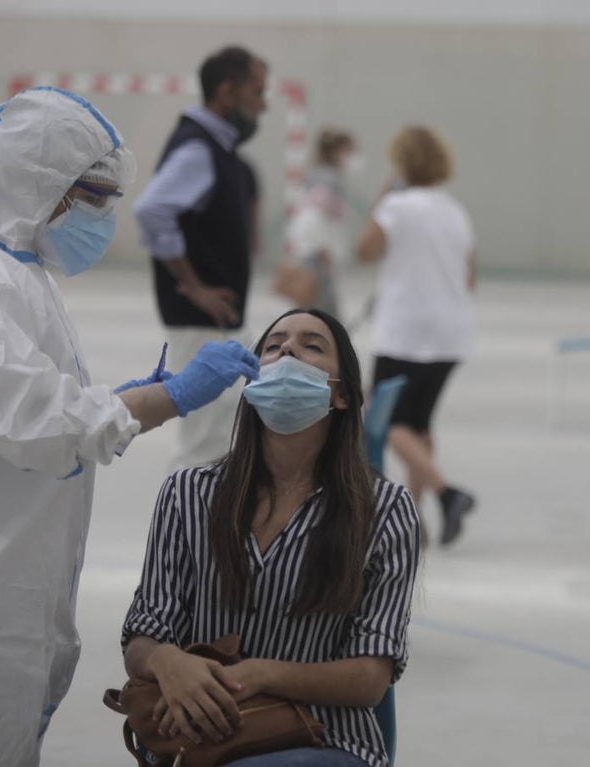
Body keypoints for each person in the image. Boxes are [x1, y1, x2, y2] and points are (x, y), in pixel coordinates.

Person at [0, 87, 260, 767]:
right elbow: (51, 422)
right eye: (96, 197)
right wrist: (172, 395)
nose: (105, 217)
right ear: (42, 189)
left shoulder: (20, 276)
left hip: (9, 593)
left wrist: (116, 398)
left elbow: (47, 401)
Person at [122, 308, 419, 767]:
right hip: (202, 732)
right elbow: (145, 630)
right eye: (274, 344)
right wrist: (168, 663)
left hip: (326, 739)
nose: (287, 351)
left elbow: (369, 677)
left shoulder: (384, 510)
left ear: (342, 396)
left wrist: (260, 675)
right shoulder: (188, 494)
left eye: (312, 345)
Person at [135, 45, 269, 470]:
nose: (263, 105)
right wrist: (192, 285)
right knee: (205, 443)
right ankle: (187, 530)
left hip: (215, 320)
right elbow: (152, 210)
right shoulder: (199, 148)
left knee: (221, 431)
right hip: (200, 321)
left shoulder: (217, 149)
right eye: (257, 92)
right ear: (227, 91)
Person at [357, 125, 477, 546]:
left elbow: (365, 251)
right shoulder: (455, 211)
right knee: (420, 424)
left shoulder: (396, 207)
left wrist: (379, 203)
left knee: (385, 422)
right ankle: (414, 516)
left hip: (405, 331)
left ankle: (447, 493)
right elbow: (470, 276)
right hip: (451, 333)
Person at [277, 127, 366, 316]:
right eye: (349, 152)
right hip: (318, 256)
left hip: (314, 253)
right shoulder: (328, 179)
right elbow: (312, 216)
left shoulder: (319, 176)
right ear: (337, 152)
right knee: (322, 314)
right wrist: (322, 247)